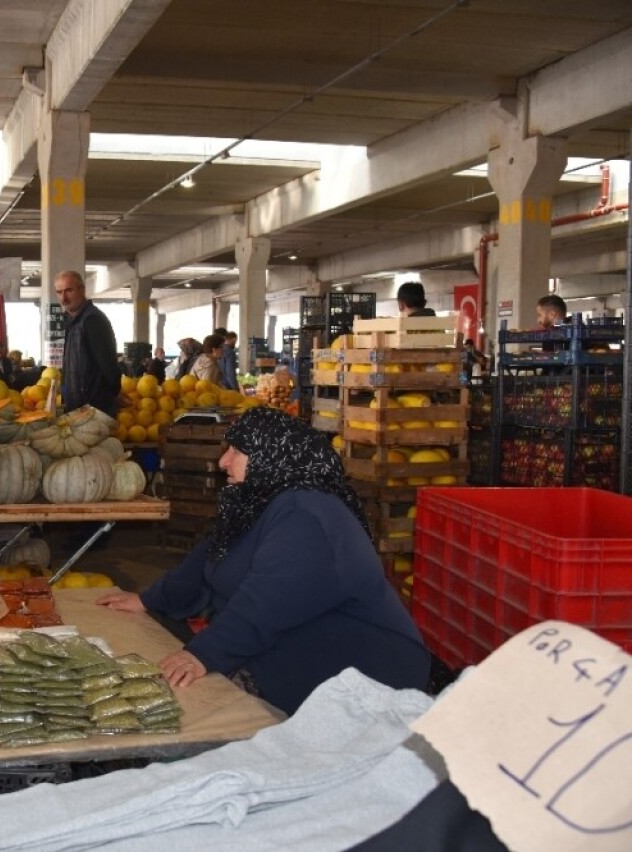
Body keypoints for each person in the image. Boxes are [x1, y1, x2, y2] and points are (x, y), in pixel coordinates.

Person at [97, 408, 430, 715]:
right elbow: (208, 558)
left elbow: (266, 601)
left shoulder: (307, 516)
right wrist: (148, 599)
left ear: (273, 457)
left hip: (363, 676)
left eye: (237, 452)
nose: (223, 461)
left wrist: (203, 654)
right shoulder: (258, 502)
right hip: (294, 650)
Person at [55, 270, 121, 416]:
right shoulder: (71, 322)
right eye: (59, 292)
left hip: (94, 410)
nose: (63, 298)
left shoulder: (92, 320)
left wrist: (112, 396)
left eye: (68, 291)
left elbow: (109, 365)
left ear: (82, 289)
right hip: (76, 409)